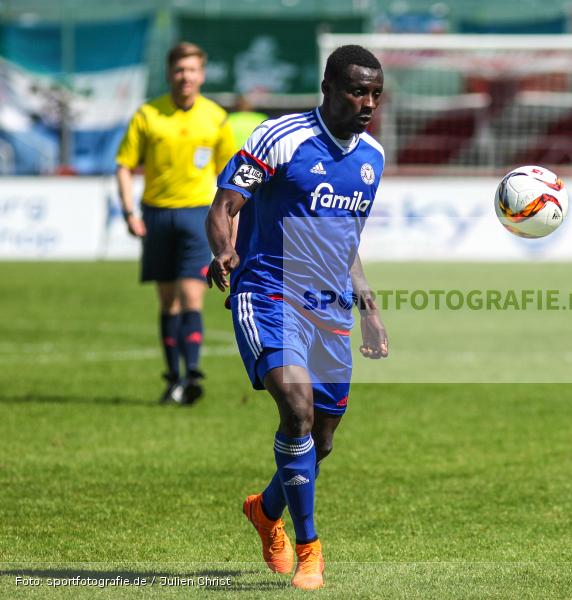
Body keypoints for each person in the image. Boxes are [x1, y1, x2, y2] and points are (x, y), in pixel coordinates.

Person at [206, 44, 388, 590]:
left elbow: (346, 239)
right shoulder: (280, 137)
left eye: (376, 93)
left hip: (329, 305)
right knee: (297, 408)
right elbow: (223, 206)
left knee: (322, 440)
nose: (368, 102)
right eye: (358, 90)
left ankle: (265, 510)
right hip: (266, 291)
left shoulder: (373, 157)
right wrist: (223, 250)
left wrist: (369, 305)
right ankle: (309, 546)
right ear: (329, 88)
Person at [116, 42, 236, 404]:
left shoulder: (215, 117)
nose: (186, 76)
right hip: (156, 215)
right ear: (170, 73)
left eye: (192, 70)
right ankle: (173, 378)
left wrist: (231, 228)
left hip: (197, 215)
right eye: (179, 69)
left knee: (191, 296)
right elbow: (124, 165)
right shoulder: (148, 115)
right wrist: (129, 212)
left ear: (202, 74)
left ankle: (194, 373)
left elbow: (232, 177)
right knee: (167, 302)